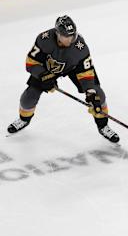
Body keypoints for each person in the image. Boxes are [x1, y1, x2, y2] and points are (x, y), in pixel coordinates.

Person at [7, 15, 119, 143]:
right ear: (57, 34)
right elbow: (31, 62)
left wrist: (90, 92)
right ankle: (24, 119)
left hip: (74, 68)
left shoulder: (80, 48)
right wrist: (43, 75)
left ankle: (103, 126)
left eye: (72, 36)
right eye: (66, 36)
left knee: (98, 95)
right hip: (48, 69)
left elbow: (86, 72)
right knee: (29, 97)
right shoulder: (44, 39)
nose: (70, 40)